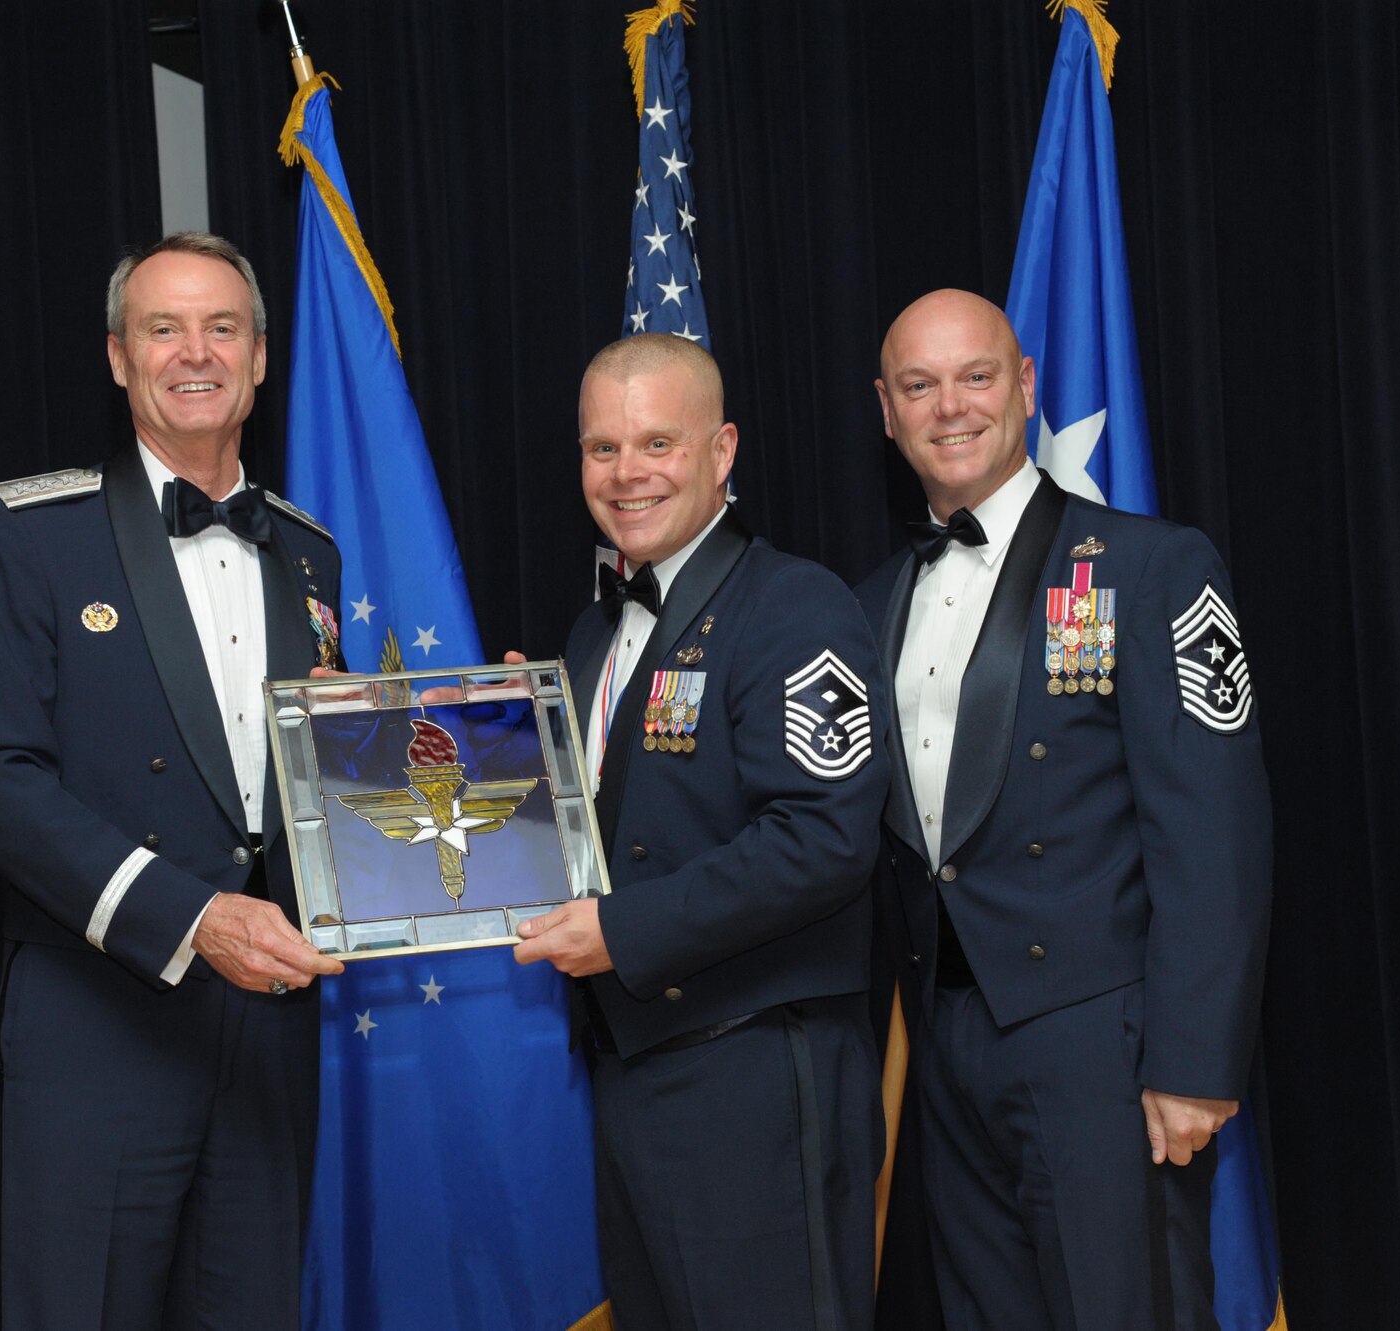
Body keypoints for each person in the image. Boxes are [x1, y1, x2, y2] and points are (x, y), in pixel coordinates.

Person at [0, 232, 345, 1329]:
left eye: (222, 327)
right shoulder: (27, 533)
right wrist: (191, 915)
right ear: (119, 357)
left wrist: (482, 743)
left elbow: (319, 778)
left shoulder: (311, 554)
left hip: (267, 1034)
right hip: (100, 1022)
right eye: (162, 328)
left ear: (261, 357)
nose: (193, 352)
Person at [853, 289, 1272, 1330]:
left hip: (1103, 1043)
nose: (949, 406)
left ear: (1025, 384)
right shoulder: (869, 602)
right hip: (945, 1036)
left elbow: (1212, 829)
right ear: (885, 410)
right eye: (918, 384)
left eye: (975, 375)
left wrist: (1192, 1058)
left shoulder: (1150, 565)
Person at [513, 333, 889, 1330]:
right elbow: (599, 821)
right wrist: (422, 738)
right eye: (600, 448)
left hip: (754, 1072)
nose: (624, 473)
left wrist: (621, 932)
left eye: (655, 443)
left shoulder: (792, 605)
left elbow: (821, 837)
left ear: (720, 451)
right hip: (636, 1065)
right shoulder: (594, 631)